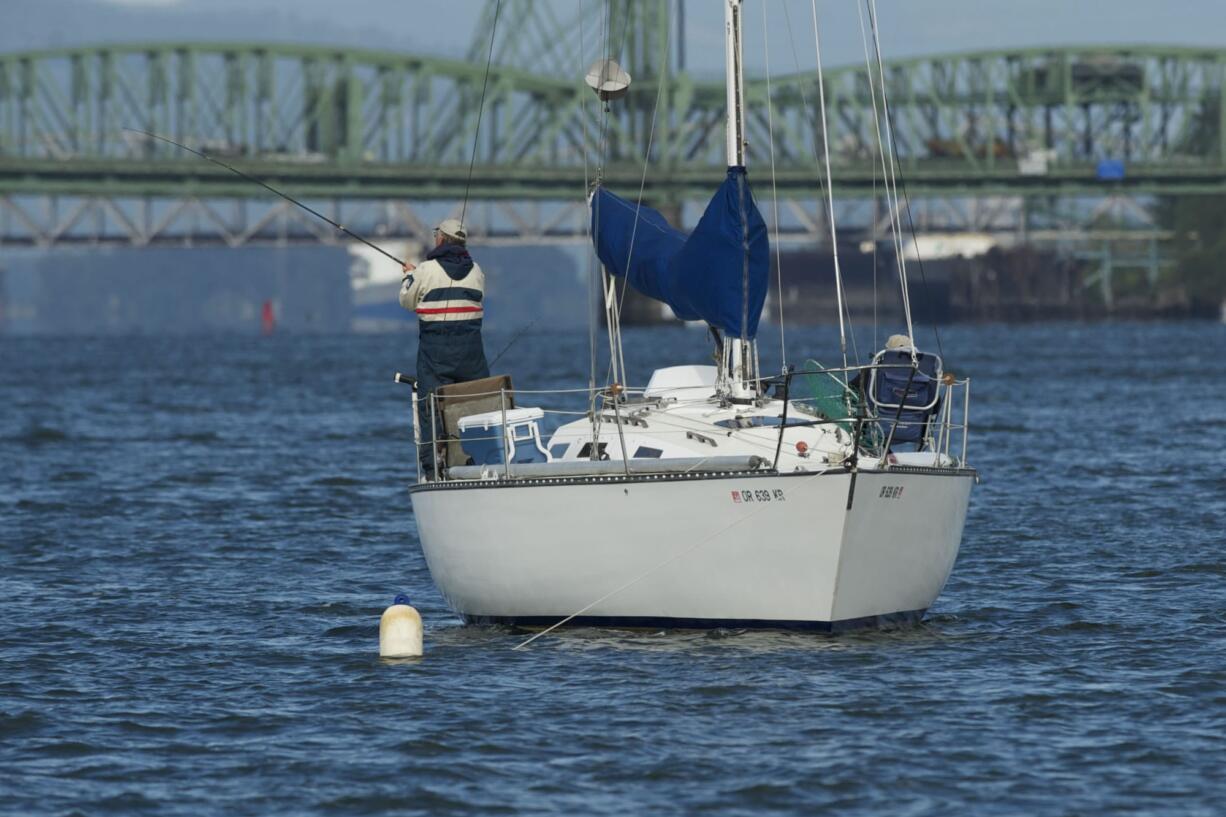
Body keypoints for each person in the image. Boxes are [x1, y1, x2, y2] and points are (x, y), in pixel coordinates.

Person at [400, 218, 489, 477]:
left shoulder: (425, 270)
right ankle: (482, 463)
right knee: (476, 405)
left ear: (441, 239)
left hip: (435, 353)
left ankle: (434, 471)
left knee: (430, 408)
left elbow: (407, 301)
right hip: (472, 354)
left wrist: (409, 275)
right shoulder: (477, 271)